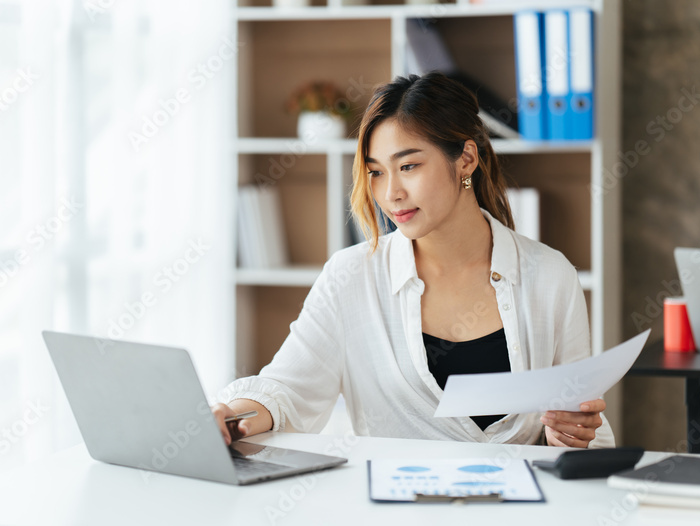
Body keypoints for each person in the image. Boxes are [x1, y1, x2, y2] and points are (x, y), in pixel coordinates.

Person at [212, 72, 614, 449]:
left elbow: (581, 423)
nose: (391, 194)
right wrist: (232, 416)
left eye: (408, 166)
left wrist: (573, 436)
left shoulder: (550, 276)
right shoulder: (352, 276)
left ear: (466, 160)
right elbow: (287, 391)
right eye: (376, 173)